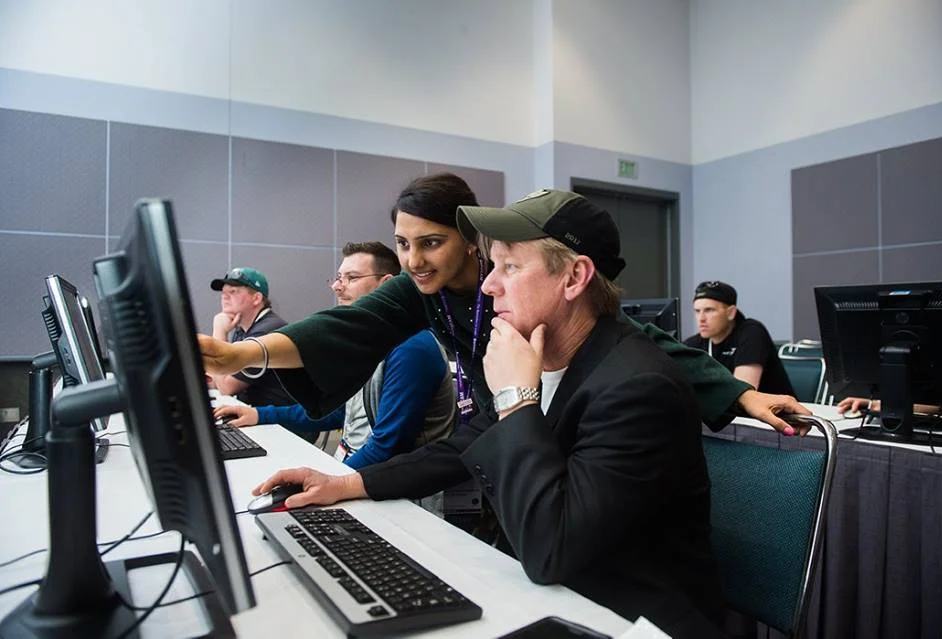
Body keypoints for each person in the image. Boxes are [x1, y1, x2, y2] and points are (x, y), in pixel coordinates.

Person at [249, 190, 725, 636]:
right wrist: (348, 484)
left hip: (629, 619)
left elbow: (552, 549)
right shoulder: (555, 358)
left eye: (510, 267)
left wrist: (516, 397)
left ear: (574, 278)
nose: (490, 285)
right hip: (560, 596)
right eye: (492, 266)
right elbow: (461, 446)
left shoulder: (637, 388)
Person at [199, 173, 810, 438]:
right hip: (499, 431)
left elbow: (638, 338)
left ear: (470, 239)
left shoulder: (522, 291)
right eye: (403, 245)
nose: (413, 260)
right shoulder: (422, 290)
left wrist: (740, 395)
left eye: (431, 243)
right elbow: (343, 327)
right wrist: (239, 354)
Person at [213, 242, 455, 469]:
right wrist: (260, 414)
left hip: (391, 489)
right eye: (339, 278)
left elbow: (387, 448)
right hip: (356, 471)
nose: (337, 286)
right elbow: (341, 412)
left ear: (387, 284)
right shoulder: (364, 341)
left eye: (352, 278)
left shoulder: (412, 347)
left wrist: (331, 481)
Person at [684, 280, 795, 396]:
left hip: (775, 407)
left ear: (731, 313)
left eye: (709, 310)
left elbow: (741, 394)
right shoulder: (693, 344)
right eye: (697, 311)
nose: (701, 318)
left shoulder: (751, 332)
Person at [209, 267, 294, 407]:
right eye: (223, 292)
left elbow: (226, 387)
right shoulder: (243, 329)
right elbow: (219, 378)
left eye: (233, 292)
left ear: (256, 298)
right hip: (254, 413)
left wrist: (219, 331)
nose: (224, 297)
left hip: (276, 418)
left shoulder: (267, 331)